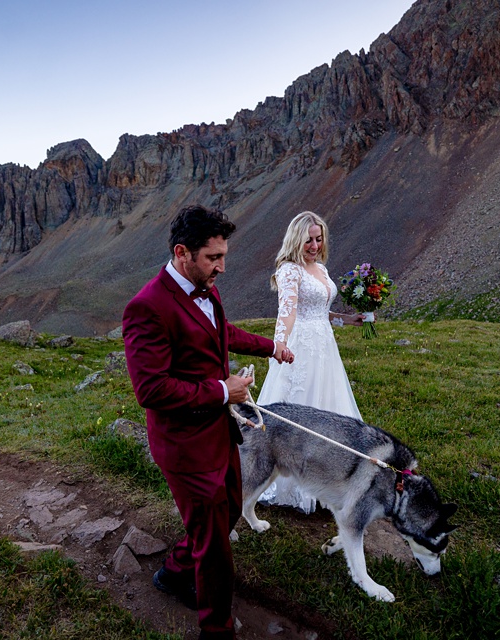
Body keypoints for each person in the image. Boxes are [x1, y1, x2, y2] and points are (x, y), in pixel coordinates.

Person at [122, 204, 293, 640]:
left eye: (223, 255)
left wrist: (270, 347)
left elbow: (222, 332)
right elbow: (151, 390)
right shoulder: (147, 308)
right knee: (216, 548)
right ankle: (217, 630)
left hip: (217, 434)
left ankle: (176, 571)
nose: (222, 266)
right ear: (182, 253)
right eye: (213, 258)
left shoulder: (205, 286)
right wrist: (223, 391)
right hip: (184, 447)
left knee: (230, 509)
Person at [256, 210, 366, 514]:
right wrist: (280, 344)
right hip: (301, 346)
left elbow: (319, 310)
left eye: (318, 239)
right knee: (300, 406)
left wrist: (347, 320)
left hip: (324, 347)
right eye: (308, 240)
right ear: (297, 239)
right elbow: (288, 311)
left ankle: (328, 482)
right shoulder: (290, 270)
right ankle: (288, 483)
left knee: (329, 407)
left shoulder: (320, 268)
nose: (314, 245)